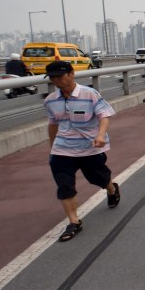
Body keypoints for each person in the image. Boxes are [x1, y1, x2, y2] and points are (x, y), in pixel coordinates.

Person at [44, 60, 120, 242]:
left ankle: (111, 189)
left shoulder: (90, 94)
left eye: (59, 76)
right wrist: (52, 148)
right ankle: (74, 222)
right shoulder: (50, 101)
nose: (56, 80)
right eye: (52, 77)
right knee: (64, 186)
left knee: (98, 178)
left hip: (90, 148)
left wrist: (101, 135)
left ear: (71, 74)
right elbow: (53, 124)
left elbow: (104, 115)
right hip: (62, 150)